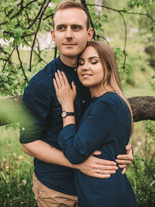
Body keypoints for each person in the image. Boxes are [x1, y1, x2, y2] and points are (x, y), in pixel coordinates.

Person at [20, 0, 133, 207]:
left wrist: (122, 148)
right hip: (57, 190)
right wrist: (78, 162)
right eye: (61, 28)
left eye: (76, 27)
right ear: (53, 35)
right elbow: (29, 142)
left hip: (97, 189)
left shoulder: (95, 75)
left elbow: (106, 120)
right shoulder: (40, 85)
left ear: (89, 34)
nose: (69, 34)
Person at [53, 40, 137, 207]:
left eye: (94, 61)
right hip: (102, 193)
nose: (84, 67)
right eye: (81, 63)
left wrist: (67, 107)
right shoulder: (102, 101)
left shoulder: (106, 104)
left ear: (108, 68)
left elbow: (75, 153)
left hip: (104, 197)